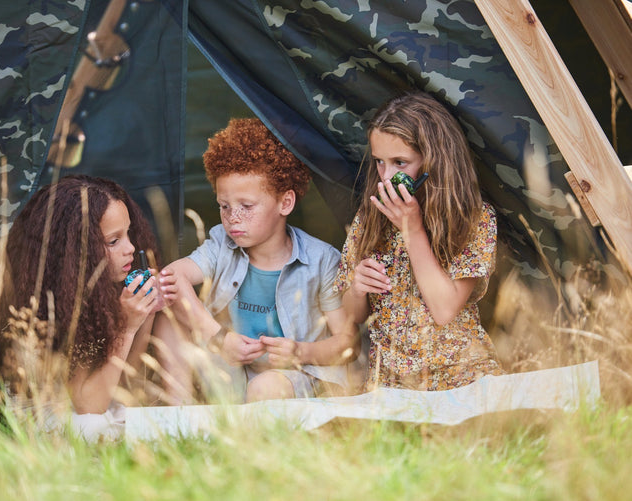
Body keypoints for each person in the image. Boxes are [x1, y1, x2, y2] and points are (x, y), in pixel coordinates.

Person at [156, 117, 358, 403]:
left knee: (265, 387)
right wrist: (219, 338)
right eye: (224, 206)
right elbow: (170, 277)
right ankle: (179, 417)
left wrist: (300, 351)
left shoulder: (322, 260)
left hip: (290, 376)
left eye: (246, 206)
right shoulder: (220, 245)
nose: (232, 217)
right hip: (231, 370)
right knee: (167, 315)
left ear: (285, 203)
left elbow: (349, 342)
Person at [334, 91, 503, 392]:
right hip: (389, 384)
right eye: (380, 163)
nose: (386, 177)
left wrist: (413, 231)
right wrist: (358, 288)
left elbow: (443, 310)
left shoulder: (474, 219)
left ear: (433, 161)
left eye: (400, 162)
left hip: (461, 377)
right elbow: (354, 316)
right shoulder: (370, 218)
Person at [0, 174, 169, 415]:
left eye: (128, 234)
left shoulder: (100, 296)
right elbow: (89, 407)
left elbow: (123, 384)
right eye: (113, 241)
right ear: (77, 251)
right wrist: (128, 328)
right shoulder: (57, 308)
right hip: (51, 425)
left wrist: (147, 313)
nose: (131, 248)